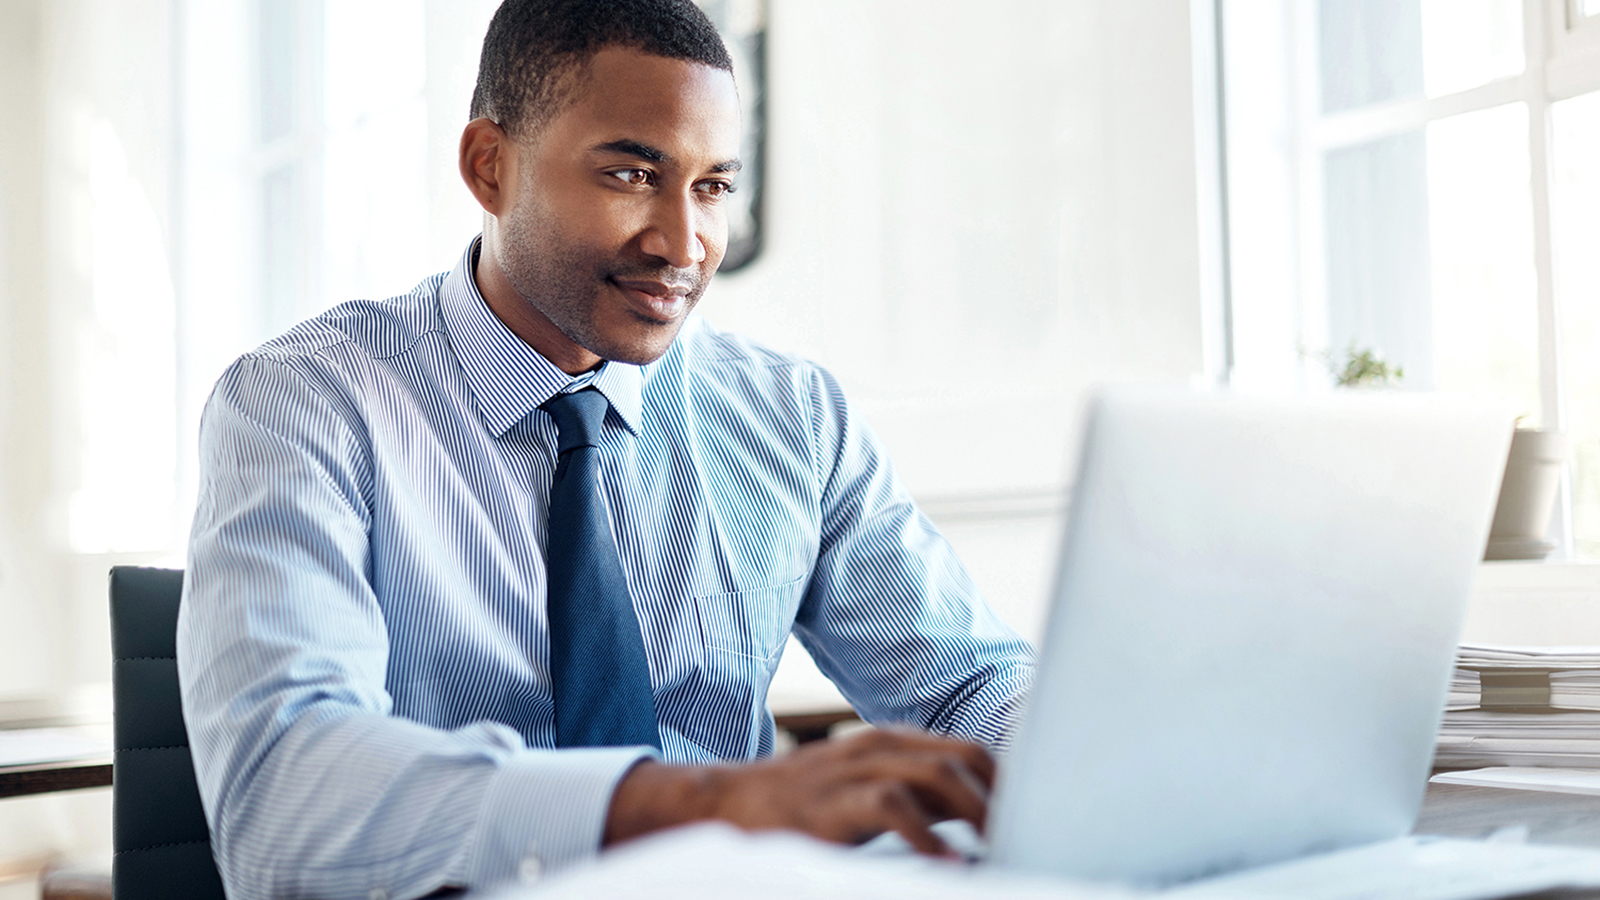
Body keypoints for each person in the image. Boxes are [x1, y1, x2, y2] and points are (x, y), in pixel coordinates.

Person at [177, 2, 1034, 898]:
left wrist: (1062, 772)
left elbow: (972, 684)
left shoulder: (792, 416)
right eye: (632, 173)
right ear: (490, 167)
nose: (683, 244)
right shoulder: (304, 404)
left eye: (712, 187)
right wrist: (704, 801)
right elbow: (284, 801)